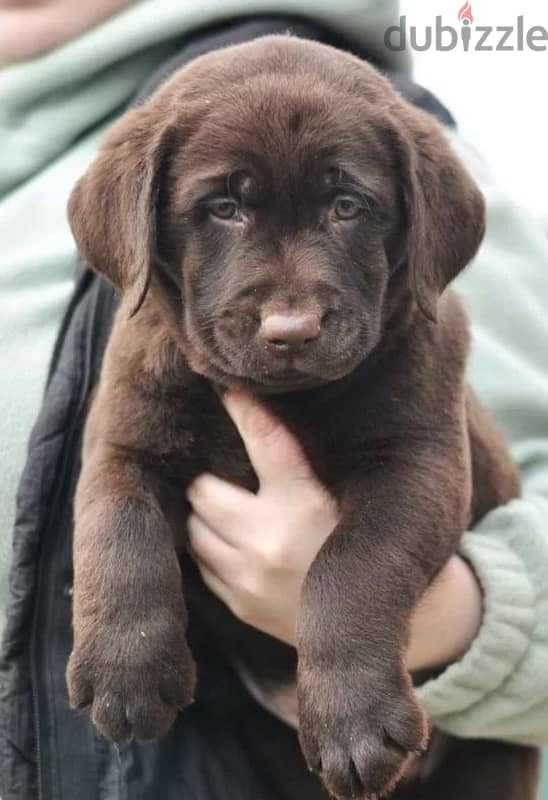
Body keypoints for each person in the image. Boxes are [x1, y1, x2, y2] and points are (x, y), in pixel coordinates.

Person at [0, 1, 547, 798]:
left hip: (447, 760)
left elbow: (429, 468)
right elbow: (125, 465)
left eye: (347, 207)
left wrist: (415, 626)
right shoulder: (104, 165)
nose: (290, 311)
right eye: (222, 208)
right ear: (138, 235)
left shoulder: (395, 134)